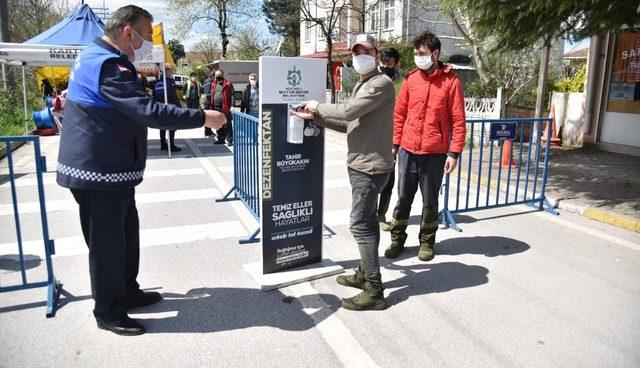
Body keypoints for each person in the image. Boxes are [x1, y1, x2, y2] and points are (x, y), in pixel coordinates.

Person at [56, 5, 225, 336]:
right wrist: (201, 117)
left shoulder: (99, 56)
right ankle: (108, 309)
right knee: (107, 246)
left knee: (125, 236)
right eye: (146, 35)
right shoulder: (107, 64)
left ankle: (126, 291)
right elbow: (147, 111)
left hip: (112, 170)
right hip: (98, 172)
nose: (148, 41)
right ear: (127, 32)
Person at [292, 34, 395, 311]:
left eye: (366, 50)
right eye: (356, 51)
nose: (360, 55)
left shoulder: (381, 84)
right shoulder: (363, 83)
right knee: (368, 223)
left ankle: (374, 290)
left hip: (370, 167)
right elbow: (352, 124)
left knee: (361, 225)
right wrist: (316, 117)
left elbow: (349, 112)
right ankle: (364, 274)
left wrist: (317, 106)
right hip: (362, 163)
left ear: (377, 54)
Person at [384, 31, 466, 262]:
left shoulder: (451, 82)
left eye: (421, 53)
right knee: (403, 199)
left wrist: (454, 152)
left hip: (435, 153)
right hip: (408, 150)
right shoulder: (411, 80)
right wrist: (394, 144)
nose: (417, 57)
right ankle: (397, 240)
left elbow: (459, 120)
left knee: (430, 201)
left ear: (435, 53)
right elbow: (399, 115)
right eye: (415, 53)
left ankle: (427, 242)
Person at [376, 47, 401, 232]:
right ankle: (366, 216)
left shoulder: (402, 82)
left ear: (396, 63)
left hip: (392, 137)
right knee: (369, 180)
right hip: (372, 136)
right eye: (383, 63)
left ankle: (380, 215)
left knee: (388, 181)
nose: (385, 66)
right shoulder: (371, 78)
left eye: (389, 64)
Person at [152, 67, 182, 151]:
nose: (172, 75)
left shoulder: (157, 82)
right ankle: (171, 145)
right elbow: (174, 95)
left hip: (159, 107)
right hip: (170, 107)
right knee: (172, 126)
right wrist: (179, 107)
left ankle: (163, 144)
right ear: (168, 74)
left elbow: (154, 95)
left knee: (162, 126)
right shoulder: (170, 82)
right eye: (171, 73)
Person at [209, 69, 235, 145]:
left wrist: (232, 105)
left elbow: (232, 95)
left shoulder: (228, 84)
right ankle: (221, 139)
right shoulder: (214, 84)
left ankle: (229, 140)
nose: (217, 76)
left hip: (225, 107)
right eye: (216, 74)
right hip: (216, 107)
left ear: (222, 75)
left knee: (227, 124)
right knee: (218, 124)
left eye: (219, 74)